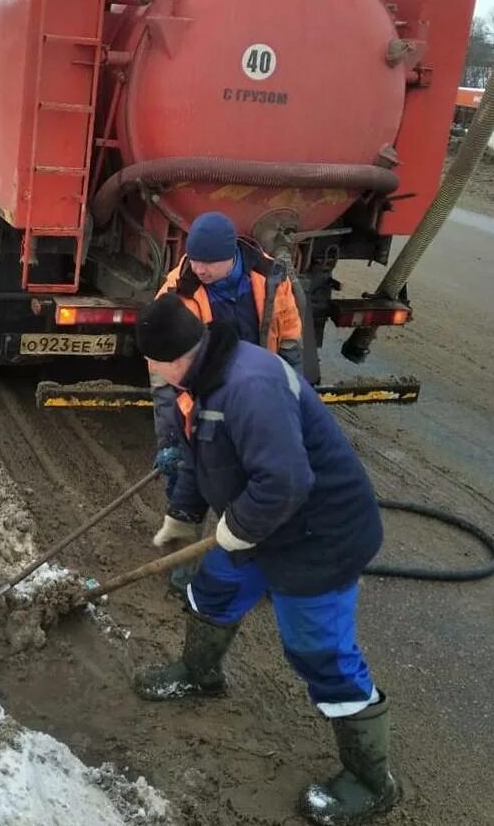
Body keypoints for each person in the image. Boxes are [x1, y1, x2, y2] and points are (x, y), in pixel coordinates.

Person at [134, 293, 398, 826]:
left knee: (317, 648)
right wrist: (184, 513)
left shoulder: (249, 386)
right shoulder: (200, 379)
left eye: (149, 361)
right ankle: (200, 673)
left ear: (171, 356)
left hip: (318, 534)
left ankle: (373, 781)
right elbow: (200, 454)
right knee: (213, 590)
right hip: (265, 518)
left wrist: (238, 527)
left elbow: (287, 482)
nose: (149, 370)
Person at [151, 212, 303, 588]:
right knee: (191, 480)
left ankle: (260, 566)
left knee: (257, 485)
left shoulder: (269, 279)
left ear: (230, 256)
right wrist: (170, 438)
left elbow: (289, 337)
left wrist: (293, 395)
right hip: (201, 400)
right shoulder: (177, 295)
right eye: (194, 260)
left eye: (208, 263)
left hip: (255, 395)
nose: (198, 269)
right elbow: (163, 377)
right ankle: (183, 572)